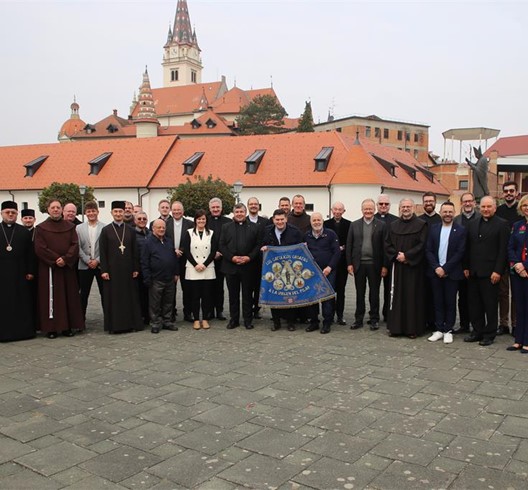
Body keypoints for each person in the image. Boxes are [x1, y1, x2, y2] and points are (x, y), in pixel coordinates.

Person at [463, 196, 510, 346]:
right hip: (473, 272)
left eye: (489, 207)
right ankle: (477, 331)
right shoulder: (472, 223)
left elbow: (503, 250)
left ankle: (489, 334)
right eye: (483, 207)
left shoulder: (502, 225)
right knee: (474, 304)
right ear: (479, 208)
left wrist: (498, 271)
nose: (486, 209)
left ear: (495, 208)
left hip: (491, 273)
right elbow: (467, 247)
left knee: (490, 304)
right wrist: (466, 267)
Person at [34, 199, 84, 338]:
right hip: (49, 269)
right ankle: (51, 328)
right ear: (48, 210)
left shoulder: (70, 227)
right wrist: (56, 259)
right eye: (53, 207)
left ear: (62, 210)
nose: (55, 210)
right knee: (51, 298)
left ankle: (67, 327)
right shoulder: (41, 228)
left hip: (66, 268)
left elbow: (75, 245)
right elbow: (40, 248)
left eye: (58, 207)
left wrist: (66, 258)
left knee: (69, 297)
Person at [385, 198, 427, 338]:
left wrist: (407, 256)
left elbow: (422, 245)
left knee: (412, 297)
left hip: (414, 268)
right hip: (397, 267)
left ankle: (412, 329)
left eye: (408, 206)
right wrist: (397, 256)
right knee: (396, 296)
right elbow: (387, 244)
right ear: (399, 208)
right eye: (403, 207)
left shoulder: (421, 225)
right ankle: (396, 328)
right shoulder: (393, 225)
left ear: (413, 208)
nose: (406, 209)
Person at [425, 201, 467, 345]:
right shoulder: (434, 228)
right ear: (440, 212)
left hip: (452, 272)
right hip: (435, 272)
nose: (447, 214)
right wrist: (436, 267)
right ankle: (438, 329)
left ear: (454, 213)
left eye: (450, 212)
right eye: (445, 212)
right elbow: (428, 250)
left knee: (450, 302)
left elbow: (460, 252)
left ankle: (448, 330)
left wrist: (445, 268)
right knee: (437, 302)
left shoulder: (460, 230)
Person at [99, 201, 143, 333]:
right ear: (112, 213)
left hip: (128, 270)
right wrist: (104, 270)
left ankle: (131, 324)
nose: (118, 214)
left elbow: (135, 250)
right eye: (116, 212)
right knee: (114, 298)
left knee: (129, 297)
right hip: (112, 271)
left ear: (124, 213)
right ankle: (114, 326)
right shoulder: (106, 230)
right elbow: (102, 251)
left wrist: (136, 268)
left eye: (120, 211)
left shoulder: (130, 230)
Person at [346, 199, 387, 331]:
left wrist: (385, 266)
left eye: (370, 209)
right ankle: (358, 319)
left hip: (375, 264)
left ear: (374, 209)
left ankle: (374, 319)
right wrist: (349, 264)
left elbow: (385, 247)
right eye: (366, 209)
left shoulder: (381, 225)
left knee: (374, 293)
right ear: (362, 210)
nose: (368, 211)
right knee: (360, 293)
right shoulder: (354, 225)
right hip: (359, 264)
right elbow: (349, 245)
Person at [219, 203, 262, 330]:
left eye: (241, 212)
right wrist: (232, 257)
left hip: (248, 266)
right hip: (230, 266)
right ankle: (234, 319)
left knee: (247, 295)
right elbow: (221, 245)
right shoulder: (226, 227)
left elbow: (258, 245)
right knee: (233, 295)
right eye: (237, 212)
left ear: (245, 212)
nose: (239, 214)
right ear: (234, 213)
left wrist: (249, 257)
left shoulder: (255, 227)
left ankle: (248, 320)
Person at [261, 208, 303, 331]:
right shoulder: (267, 231)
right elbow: (261, 245)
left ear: (286, 219)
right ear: (273, 220)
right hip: (273, 269)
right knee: (274, 293)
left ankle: (290, 322)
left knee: (289, 294)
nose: (279, 222)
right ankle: (276, 322)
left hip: (290, 269)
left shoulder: (295, 231)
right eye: (277, 219)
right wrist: (263, 249)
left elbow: (301, 248)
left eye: (282, 219)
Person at [0, 201, 36, 342]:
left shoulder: (23, 232)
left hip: (20, 273)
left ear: (17, 214)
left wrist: (31, 271)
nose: (10, 214)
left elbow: (30, 254)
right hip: (1, 274)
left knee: (20, 302)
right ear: (2, 213)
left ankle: (22, 332)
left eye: (13, 212)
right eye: (7, 212)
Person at [181, 209, 218, 330]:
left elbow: (213, 251)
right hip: (193, 268)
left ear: (206, 220)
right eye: (199, 219)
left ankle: (205, 319)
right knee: (195, 296)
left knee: (207, 296)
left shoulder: (211, 233)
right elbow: (186, 250)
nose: (201, 221)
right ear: (195, 220)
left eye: (203, 219)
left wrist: (205, 264)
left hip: (208, 268)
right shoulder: (189, 232)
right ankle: (196, 319)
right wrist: (196, 264)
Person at [141, 219, 179, 334]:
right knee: (155, 303)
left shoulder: (168, 241)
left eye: (163, 227)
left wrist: (176, 273)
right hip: (155, 279)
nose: (162, 229)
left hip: (169, 278)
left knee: (168, 302)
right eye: (159, 227)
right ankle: (156, 323)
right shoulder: (148, 243)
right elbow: (144, 261)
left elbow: (173, 258)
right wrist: (147, 278)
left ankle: (167, 321)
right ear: (153, 228)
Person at [305, 212, 340, 334]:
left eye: (318, 220)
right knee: (312, 296)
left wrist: (330, 267)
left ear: (323, 221)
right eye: (314, 220)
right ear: (311, 222)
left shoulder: (330, 234)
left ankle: (327, 322)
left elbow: (337, 253)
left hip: (327, 271)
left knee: (327, 297)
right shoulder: (307, 235)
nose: (316, 222)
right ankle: (314, 321)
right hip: (311, 272)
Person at [454, 192, 480, 334]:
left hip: (477, 265)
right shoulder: (456, 220)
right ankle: (464, 324)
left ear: (474, 203)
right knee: (462, 297)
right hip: (459, 266)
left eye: (470, 201)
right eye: (465, 201)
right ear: (461, 203)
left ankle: (477, 325)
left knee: (476, 298)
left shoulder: (481, 218)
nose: (468, 204)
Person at [496, 181, 520, 336]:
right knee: (503, 293)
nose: (509, 193)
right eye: (506, 191)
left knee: (517, 293)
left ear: (516, 192)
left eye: (511, 191)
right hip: (503, 258)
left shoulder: (521, 210)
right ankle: (503, 323)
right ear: (503, 193)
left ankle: (516, 324)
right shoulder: (498, 211)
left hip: (519, 259)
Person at [76, 200, 105, 319]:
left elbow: (106, 248)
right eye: (89, 211)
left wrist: (97, 260)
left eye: (93, 211)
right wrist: (87, 260)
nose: (91, 213)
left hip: (100, 265)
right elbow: (76, 247)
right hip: (84, 265)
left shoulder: (105, 227)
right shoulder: (78, 228)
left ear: (97, 212)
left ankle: (108, 318)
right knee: (83, 294)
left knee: (104, 293)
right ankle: (80, 319)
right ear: (85, 213)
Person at [507, 194, 528, 353]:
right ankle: (518, 340)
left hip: (527, 271)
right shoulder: (517, 225)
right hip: (517, 273)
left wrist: (525, 266)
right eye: (524, 205)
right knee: (519, 307)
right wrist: (517, 266)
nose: (527, 208)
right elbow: (511, 247)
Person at [166, 201, 193, 322]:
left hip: (186, 260)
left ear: (183, 211)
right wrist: (173, 250)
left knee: (187, 289)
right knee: (171, 288)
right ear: (171, 211)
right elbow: (163, 240)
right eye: (174, 210)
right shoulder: (166, 223)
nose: (177, 212)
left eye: (179, 210)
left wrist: (180, 250)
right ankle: (171, 313)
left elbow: (192, 242)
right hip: (170, 260)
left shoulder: (190, 224)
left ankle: (188, 313)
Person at [324, 201, 351, 325]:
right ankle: (328, 314)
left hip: (342, 263)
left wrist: (343, 248)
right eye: (335, 209)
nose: (337, 212)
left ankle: (340, 315)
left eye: (340, 209)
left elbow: (351, 243)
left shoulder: (349, 225)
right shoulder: (325, 224)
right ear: (331, 210)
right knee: (329, 290)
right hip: (328, 262)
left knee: (341, 290)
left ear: (343, 211)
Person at [419, 192, 442, 331]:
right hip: (421, 263)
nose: (428, 203)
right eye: (426, 201)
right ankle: (423, 320)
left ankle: (435, 322)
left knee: (436, 295)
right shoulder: (418, 220)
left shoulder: (441, 220)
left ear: (435, 202)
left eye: (431, 201)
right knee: (423, 294)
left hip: (436, 264)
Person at [375, 194, 398, 322]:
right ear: (377, 205)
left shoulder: (396, 221)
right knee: (374, 290)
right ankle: (375, 314)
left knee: (389, 289)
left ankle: (388, 313)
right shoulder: (371, 219)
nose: (383, 206)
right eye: (381, 204)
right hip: (375, 261)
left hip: (390, 261)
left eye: (386, 204)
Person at [207, 197, 231, 320]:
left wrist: (221, 252)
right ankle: (210, 311)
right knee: (209, 287)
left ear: (221, 208)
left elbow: (229, 240)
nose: (215, 209)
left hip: (223, 259)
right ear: (209, 208)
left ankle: (220, 310)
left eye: (217, 207)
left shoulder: (228, 222)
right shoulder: (205, 221)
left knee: (220, 287)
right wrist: (212, 253)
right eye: (213, 207)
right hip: (208, 259)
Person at [247, 197, 268, 319]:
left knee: (259, 286)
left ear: (258, 206)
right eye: (251, 204)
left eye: (255, 204)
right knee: (248, 286)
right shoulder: (243, 221)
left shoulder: (265, 222)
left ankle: (257, 308)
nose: (253, 206)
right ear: (248, 206)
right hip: (248, 260)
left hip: (261, 259)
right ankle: (248, 308)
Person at [134, 211, 151, 325]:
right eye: (139, 219)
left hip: (150, 270)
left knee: (149, 294)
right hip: (138, 269)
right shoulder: (132, 234)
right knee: (139, 295)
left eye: (144, 219)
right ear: (135, 221)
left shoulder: (150, 233)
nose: (142, 221)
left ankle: (148, 316)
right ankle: (139, 317)